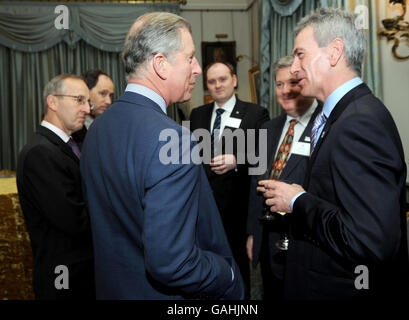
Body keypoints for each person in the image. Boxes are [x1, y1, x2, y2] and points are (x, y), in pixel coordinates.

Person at [80, 12, 245, 300]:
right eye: (190, 57)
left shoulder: (97, 129)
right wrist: (227, 273)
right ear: (161, 64)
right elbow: (173, 263)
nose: (197, 69)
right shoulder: (174, 139)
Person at [258, 8, 409, 300]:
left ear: (334, 52)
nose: (293, 68)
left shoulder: (359, 122)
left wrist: (298, 201)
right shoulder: (342, 115)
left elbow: (369, 240)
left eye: (300, 54)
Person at [190, 61, 270, 297]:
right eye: (212, 82)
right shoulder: (197, 115)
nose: (218, 85)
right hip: (204, 209)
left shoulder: (256, 113)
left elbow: (264, 155)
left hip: (238, 210)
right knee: (206, 270)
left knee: (238, 271)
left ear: (234, 80)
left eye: (222, 79)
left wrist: (237, 160)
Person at [246, 55, 319, 300]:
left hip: (305, 243)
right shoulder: (267, 129)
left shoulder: (323, 127)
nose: (285, 90)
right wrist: (252, 233)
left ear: (305, 82)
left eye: (292, 83)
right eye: (279, 84)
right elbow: (254, 184)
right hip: (267, 240)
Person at [16, 74, 95, 299]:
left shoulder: (69, 145)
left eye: (87, 101)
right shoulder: (40, 153)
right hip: (64, 276)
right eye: (79, 100)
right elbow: (74, 220)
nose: (87, 109)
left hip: (80, 272)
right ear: (53, 102)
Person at [72, 70, 114, 147]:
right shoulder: (72, 128)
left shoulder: (111, 126)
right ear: (85, 92)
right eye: (103, 93)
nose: (108, 101)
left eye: (110, 96)